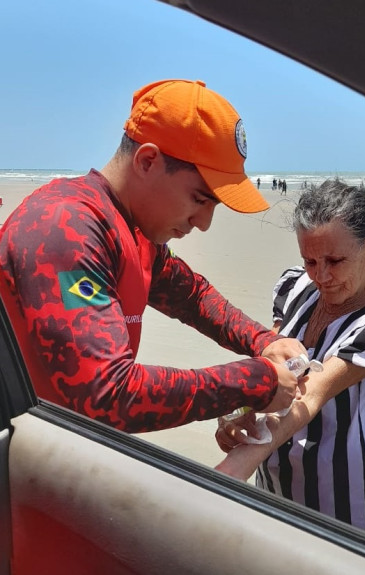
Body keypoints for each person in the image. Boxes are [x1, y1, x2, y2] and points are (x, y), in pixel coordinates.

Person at [0, 79, 305, 433]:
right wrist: (256, 382)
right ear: (147, 161)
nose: (203, 223)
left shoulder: (133, 230)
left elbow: (192, 296)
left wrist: (265, 341)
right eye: (200, 199)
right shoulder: (65, 228)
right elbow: (108, 396)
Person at [215, 179, 365, 542]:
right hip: (275, 480)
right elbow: (270, 364)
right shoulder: (294, 288)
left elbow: (312, 393)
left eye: (335, 261)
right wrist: (238, 410)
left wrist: (236, 466)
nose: (321, 276)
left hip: (347, 498)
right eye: (310, 260)